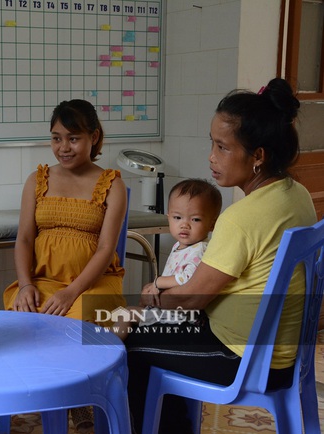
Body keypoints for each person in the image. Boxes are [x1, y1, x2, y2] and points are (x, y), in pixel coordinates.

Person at [125, 77, 317, 434]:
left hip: (242, 357)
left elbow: (192, 299)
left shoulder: (241, 219)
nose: (211, 157)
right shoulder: (296, 194)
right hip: (281, 352)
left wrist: (148, 306)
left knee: (132, 345)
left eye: (222, 147)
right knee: (148, 326)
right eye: (211, 144)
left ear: (258, 156)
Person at [3, 99, 128, 321]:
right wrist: (25, 286)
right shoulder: (37, 180)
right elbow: (24, 239)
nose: (64, 147)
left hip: (93, 284)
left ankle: (121, 326)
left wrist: (71, 292)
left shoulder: (112, 184)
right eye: (56, 138)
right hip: (45, 281)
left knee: (81, 321)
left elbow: (106, 249)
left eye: (73, 138)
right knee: (25, 314)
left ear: (94, 137)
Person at [112, 178, 222, 340]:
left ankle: (109, 351)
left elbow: (188, 279)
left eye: (195, 219)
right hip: (172, 312)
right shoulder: (181, 245)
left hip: (182, 319)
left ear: (212, 224)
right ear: (168, 217)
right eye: (178, 218)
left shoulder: (200, 249)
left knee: (126, 314)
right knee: (125, 313)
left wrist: (157, 282)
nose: (185, 225)